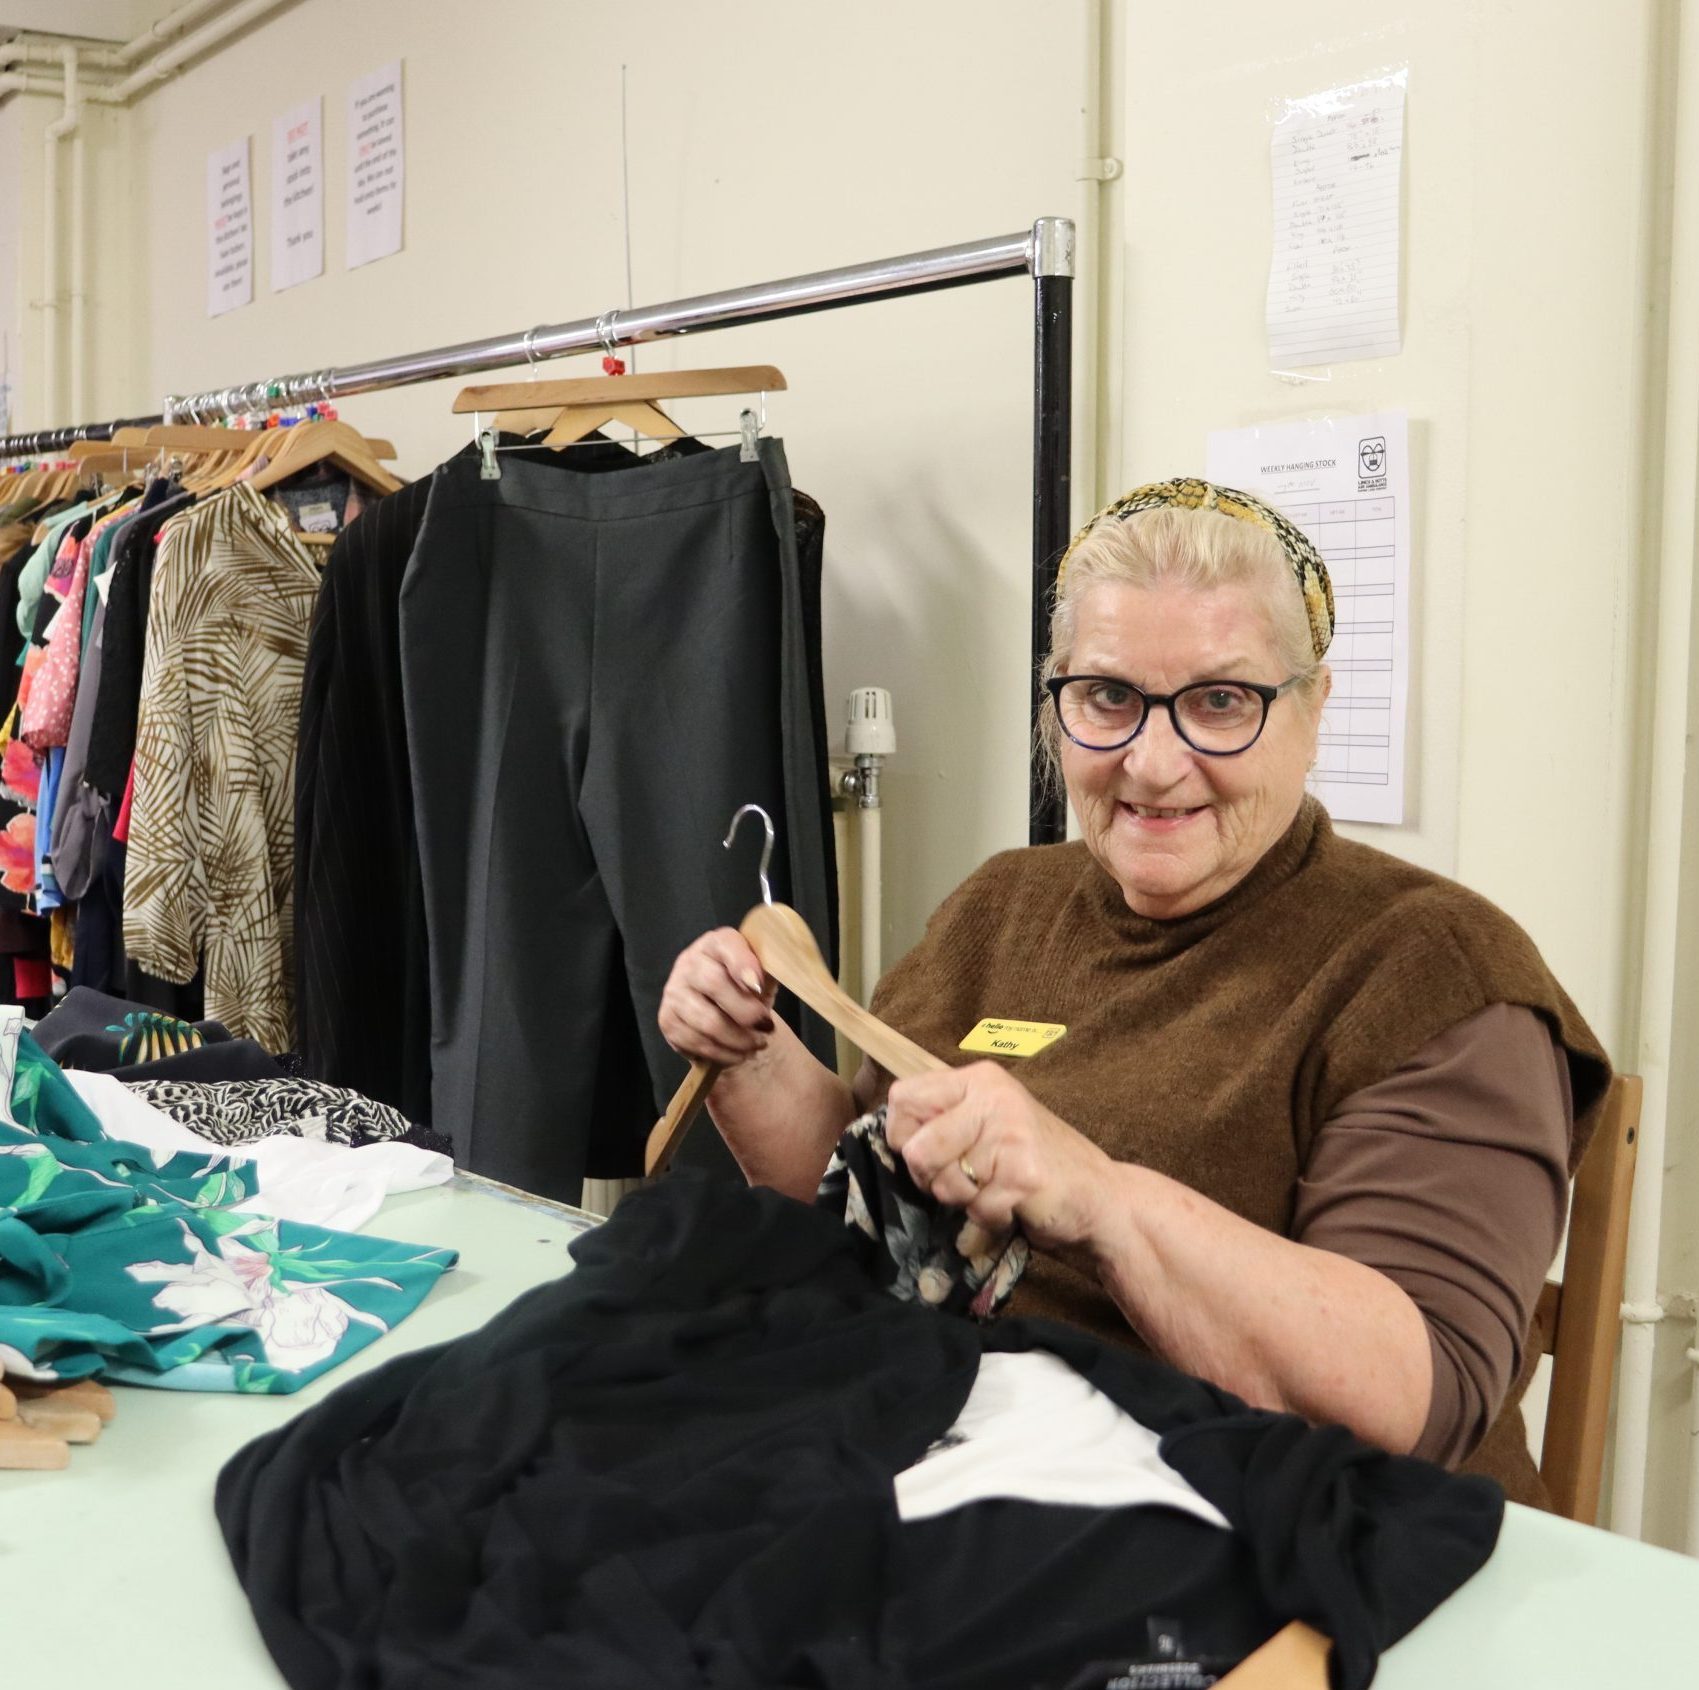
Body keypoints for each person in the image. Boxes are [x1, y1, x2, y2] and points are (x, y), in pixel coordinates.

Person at [659, 477, 1610, 1507]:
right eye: (1108, 698)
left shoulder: (1427, 967)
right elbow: (865, 1227)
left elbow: (1409, 1393)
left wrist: (1099, 1199)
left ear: (1312, 708)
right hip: (954, 1470)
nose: (1155, 765)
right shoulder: (998, 908)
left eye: (1219, 701)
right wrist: (749, 1059)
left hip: (1293, 1543)